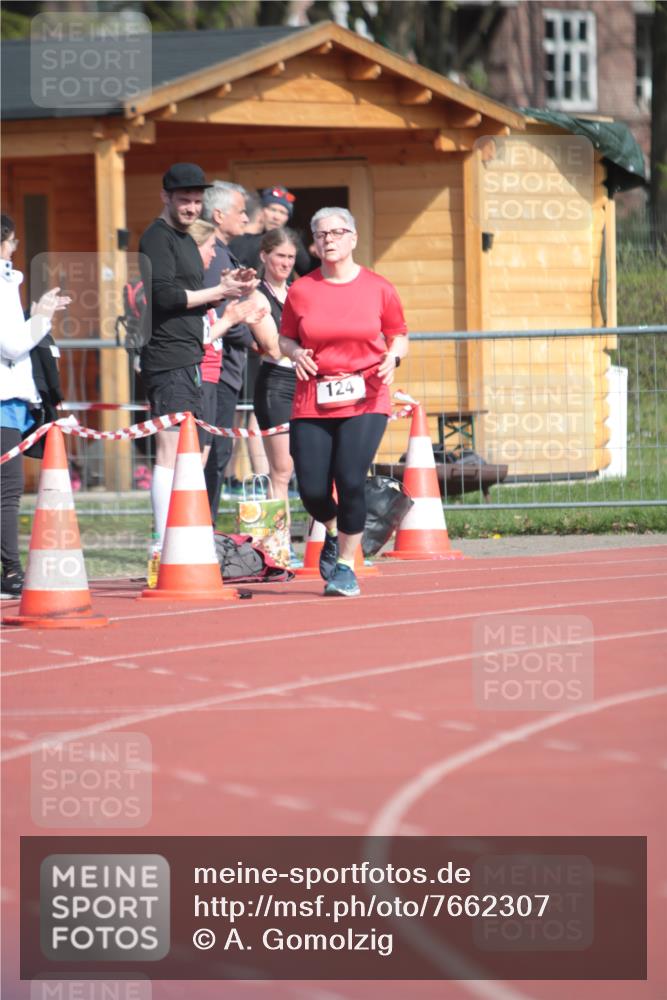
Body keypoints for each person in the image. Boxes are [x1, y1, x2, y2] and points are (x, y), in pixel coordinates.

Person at [279, 207, 409, 597]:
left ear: (353, 238)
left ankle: (345, 566)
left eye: (337, 232)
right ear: (314, 244)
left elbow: (398, 333)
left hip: (366, 394)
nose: (329, 239)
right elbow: (286, 337)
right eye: (321, 234)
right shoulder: (302, 290)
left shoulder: (379, 287)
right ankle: (333, 530)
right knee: (314, 490)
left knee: (350, 478)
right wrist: (294, 353)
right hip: (313, 397)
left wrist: (393, 357)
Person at [138, 163, 256, 547]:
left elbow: (196, 291)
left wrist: (229, 288)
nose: (191, 207)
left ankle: (181, 538)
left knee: (189, 453)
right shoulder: (158, 237)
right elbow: (165, 296)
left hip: (190, 355)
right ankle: (161, 542)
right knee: (170, 451)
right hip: (168, 356)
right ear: (165, 198)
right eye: (183, 200)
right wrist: (218, 293)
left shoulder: (187, 238)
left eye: (196, 201)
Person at [0, 213, 71, 598]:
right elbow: (11, 344)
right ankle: (10, 573)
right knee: (7, 490)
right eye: (11, 242)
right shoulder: (3, 282)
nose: (15, 248)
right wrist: (41, 316)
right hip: (3, 399)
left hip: (8, 398)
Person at [201, 181, 265, 523]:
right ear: (218, 214)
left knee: (219, 451)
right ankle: (202, 531)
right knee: (214, 452)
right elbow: (222, 309)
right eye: (240, 210)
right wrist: (255, 340)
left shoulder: (223, 251)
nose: (246, 217)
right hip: (218, 367)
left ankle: (204, 530)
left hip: (226, 367)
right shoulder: (212, 255)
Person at [188, 219, 270, 472]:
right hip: (197, 377)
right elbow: (200, 337)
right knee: (194, 460)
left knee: (207, 454)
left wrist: (236, 302)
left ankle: (204, 513)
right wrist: (233, 319)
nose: (215, 255)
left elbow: (213, 322)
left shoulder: (204, 288)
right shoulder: (187, 288)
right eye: (211, 248)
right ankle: (188, 513)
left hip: (212, 375)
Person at [250, 227, 299, 503]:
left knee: (312, 465)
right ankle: (277, 544)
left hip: (305, 381)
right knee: (281, 471)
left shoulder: (296, 292)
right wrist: (302, 349)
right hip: (277, 384)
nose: (286, 263)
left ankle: (322, 539)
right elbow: (270, 344)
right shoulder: (257, 297)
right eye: (280, 255)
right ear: (264, 256)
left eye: (291, 257)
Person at [230, 185, 312, 276]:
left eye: (282, 212)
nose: (276, 217)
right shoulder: (241, 240)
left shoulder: (291, 240)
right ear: (261, 211)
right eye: (272, 209)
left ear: (287, 218)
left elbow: (308, 271)